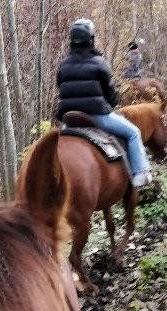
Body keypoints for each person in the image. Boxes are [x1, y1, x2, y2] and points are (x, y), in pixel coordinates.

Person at [56, 19, 152, 188]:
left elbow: (61, 87)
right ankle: (140, 173)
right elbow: (110, 93)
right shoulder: (100, 63)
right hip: (97, 116)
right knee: (133, 133)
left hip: (69, 119)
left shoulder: (63, 66)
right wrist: (112, 104)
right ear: (91, 40)